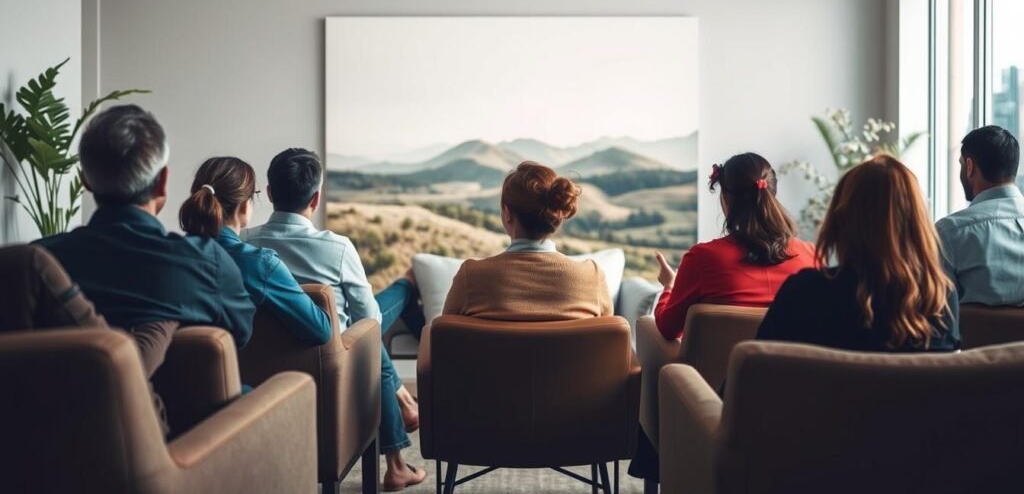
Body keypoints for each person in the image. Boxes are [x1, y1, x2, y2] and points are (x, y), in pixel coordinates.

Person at [243, 148, 424, 491]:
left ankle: (404, 407)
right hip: (334, 365)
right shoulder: (337, 248)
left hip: (263, 373)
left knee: (389, 302)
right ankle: (397, 457)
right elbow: (368, 320)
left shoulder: (244, 242)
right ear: (316, 198)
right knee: (381, 315)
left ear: (268, 193)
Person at [36, 105, 255, 352]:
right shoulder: (208, 264)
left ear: (85, 180)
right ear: (162, 181)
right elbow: (241, 334)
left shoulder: (39, 263)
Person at [757, 154, 959, 352]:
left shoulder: (804, 293)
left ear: (839, 219)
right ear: (917, 224)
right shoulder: (939, 299)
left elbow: (752, 379)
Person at [0, 243, 177, 435]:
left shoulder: (48, 251)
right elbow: (126, 366)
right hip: (120, 441)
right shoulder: (31, 263)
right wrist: (164, 321)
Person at [652, 153, 816, 340]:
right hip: (793, 369)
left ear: (726, 200)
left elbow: (667, 328)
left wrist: (668, 286)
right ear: (772, 193)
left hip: (718, 370)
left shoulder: (703, 259)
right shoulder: (812, 255)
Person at [179, 157, 332, 345]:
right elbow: (320, 331)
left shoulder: (169, 255)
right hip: (249, 374)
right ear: (244, 206)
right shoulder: (260, 264)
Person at [442, 161, 612, 320]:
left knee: (429, 332)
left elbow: (444, 337)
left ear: (507, 213)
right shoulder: (592, 276)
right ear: (557, 215)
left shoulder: (471, 276)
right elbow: (611, 342)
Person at [936, 126, 1024, 306]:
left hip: (974, 335)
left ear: (970, 167)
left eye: (961, 164)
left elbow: (938, 312)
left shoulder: (950, 232)